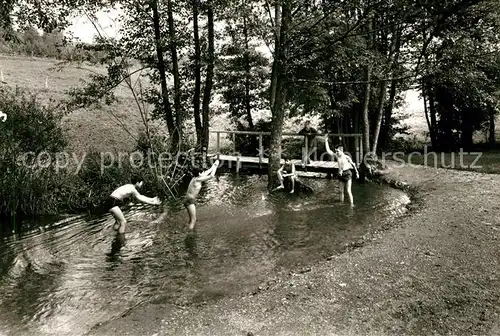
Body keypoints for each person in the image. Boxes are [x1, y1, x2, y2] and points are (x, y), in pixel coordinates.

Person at [184, 159, 220, 230]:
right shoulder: (198, 179)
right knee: (194, 220)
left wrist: (214, 165)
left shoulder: (196, 177)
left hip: (188, 199)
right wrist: (215, 166)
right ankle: (188, 235)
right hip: (189, 201)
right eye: (202, 172)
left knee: (191, 219)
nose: (204, 172)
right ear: (200, 174)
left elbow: (207, 172)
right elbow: (212, 176)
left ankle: (188, 228)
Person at [324, 135, 359, 205]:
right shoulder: (337, 156)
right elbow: (328, 151)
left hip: (347, 173)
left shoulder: (346, 157)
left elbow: (353, 164)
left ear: (341, 150)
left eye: (337, 151)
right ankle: (341, 203)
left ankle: (352, 204)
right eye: (335, 151)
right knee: (341, 191)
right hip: (341, 174)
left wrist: (357, 172)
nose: (336, 153)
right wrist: (326, 141)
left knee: (348, 191)